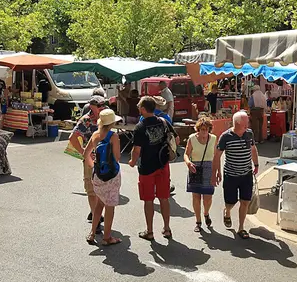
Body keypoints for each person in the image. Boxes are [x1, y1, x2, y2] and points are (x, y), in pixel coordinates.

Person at [129, 98, 174, 241]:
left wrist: (132, 161)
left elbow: (137, 150)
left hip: (147, 168)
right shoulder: (163, 121)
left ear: (143, 108)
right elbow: (176, 140)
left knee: (148, 201)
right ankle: (167, 228)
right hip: (163, 164)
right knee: (164, 198)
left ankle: (149, 231)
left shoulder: (140, 127)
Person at [214, 110, 259, 238]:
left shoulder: (249, 134)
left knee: (245, 201)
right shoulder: (225, 136)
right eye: (246, 122)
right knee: (231, 202)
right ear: (239, 123)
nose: (248, 124)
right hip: (231, 175)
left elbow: (253, 149)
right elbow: (217, 155)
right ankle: (227, 211)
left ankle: (241, 228)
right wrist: (216, 172)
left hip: (246, 174)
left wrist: (256, 164)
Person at [83, 108, 123, 246]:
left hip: (98, 174)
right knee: (110, 206)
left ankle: (92, 233)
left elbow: (85, 154)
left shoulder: (95, 135)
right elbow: (117, 158)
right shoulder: (114, 137)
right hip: (111, 175)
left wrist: (92, 166)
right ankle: (107, 237)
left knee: (99, 205)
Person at [71, 95, 108, 227]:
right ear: (92, 106)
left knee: (102, 189)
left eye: (104, 104)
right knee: (92, 190)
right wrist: (84, 153)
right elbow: (73, 138)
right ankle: (96, 220)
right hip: (92, 160)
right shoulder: (86, 120)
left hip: (105, 160)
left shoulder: (106, 117)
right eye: (100, 105)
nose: (103, 107)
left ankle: (95, 213)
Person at [184, 116, 218, 233]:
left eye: (206, 129)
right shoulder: (192, 138)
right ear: (198, 129)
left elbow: (216, 157)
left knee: (207, 198)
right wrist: (188, 163)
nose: (204, 132)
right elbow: (186, 154)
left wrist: (216, 172)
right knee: (196, 196)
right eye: (202, 129)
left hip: (209, 167)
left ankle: (206, 213)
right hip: (195, 168)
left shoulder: (213, 139)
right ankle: (198, 222)